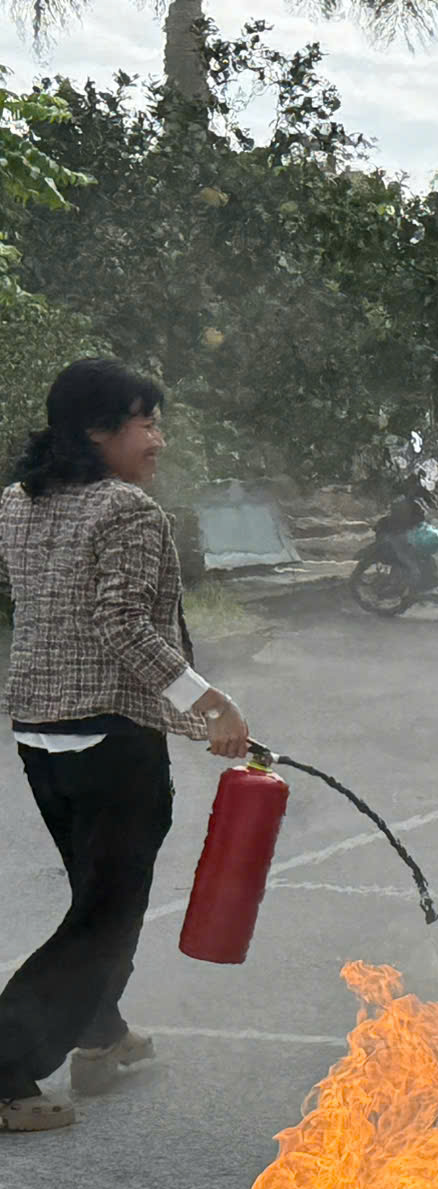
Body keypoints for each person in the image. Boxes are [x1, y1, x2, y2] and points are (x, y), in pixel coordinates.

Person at [1, 359, 253, 1133]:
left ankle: (102, 1036)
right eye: (146, 423)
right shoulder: (127, 510)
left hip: (40, 735)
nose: (158, 439)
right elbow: (122, 626)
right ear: (96, 430)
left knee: (99, 898)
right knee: (105, 916)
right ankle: (5, 1070)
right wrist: (211, 703)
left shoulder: (18, 500)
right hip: (110, 742)